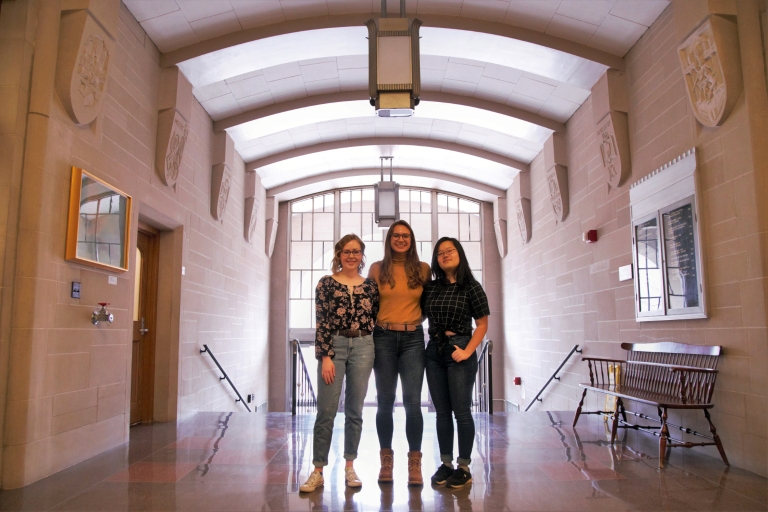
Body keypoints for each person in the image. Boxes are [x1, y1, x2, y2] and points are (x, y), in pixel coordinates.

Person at [299, 234, 379, 493]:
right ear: (339, 254)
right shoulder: (326, 284)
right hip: (335, 347)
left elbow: (375, 319)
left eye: (356, 251)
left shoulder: (370, 286)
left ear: (361, 255)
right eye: (347, 251)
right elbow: (321, 321)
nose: (351, 255)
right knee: (327, 410)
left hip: (364, 347)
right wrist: (325, 357)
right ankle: (318, 470)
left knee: (355, 410)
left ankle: (349, 466)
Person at [422, 237, 490, 489]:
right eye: (440, 253)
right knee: (441, 412)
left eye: (449, 250)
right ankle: (446, 463)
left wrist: (468, 351)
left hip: (460, 348)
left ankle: (463, 466)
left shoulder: (471, 286)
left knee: (461, 411)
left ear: (459, 253)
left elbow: (482, 325)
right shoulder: (431, 287)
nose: (445, 255)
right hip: (434, 351)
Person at [368, 220, 431, 486]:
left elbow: (428, 305)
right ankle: (386, 461)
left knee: (413, 402)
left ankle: (414, 463)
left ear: (412, 239)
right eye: (396, 235)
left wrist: (412, 321)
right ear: (389, 239)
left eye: (406, 235)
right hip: (382, 337)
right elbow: (368, 305)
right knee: (384, 401)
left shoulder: (423, 269)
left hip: (413, 339)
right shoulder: (376, 268)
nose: (401, 239)